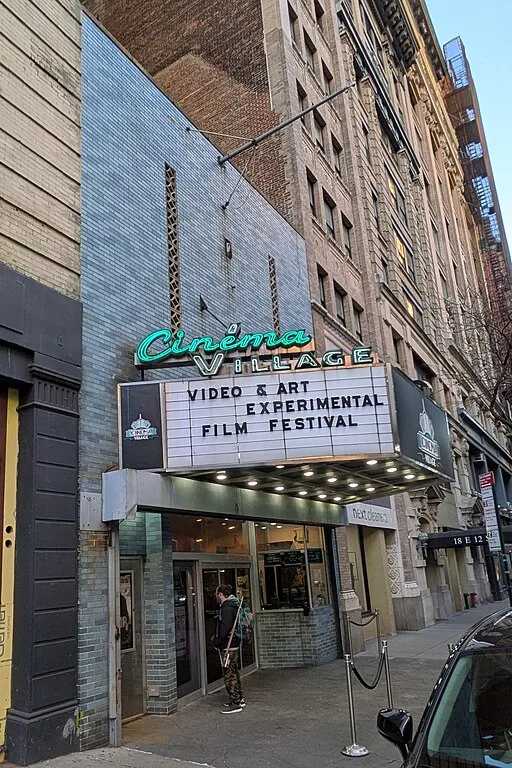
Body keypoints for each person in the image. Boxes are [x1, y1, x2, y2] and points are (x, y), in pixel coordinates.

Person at [214, 584, 245, 714]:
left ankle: (236, 702)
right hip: (234, 643)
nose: (216, 596)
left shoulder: (226, 608)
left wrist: (217, 641)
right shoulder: (235, 605)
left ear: (221, 594)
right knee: (234, 671)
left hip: (228, 645)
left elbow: (225, 628)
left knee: (229, 674)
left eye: (217, 594)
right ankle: (239, 698)